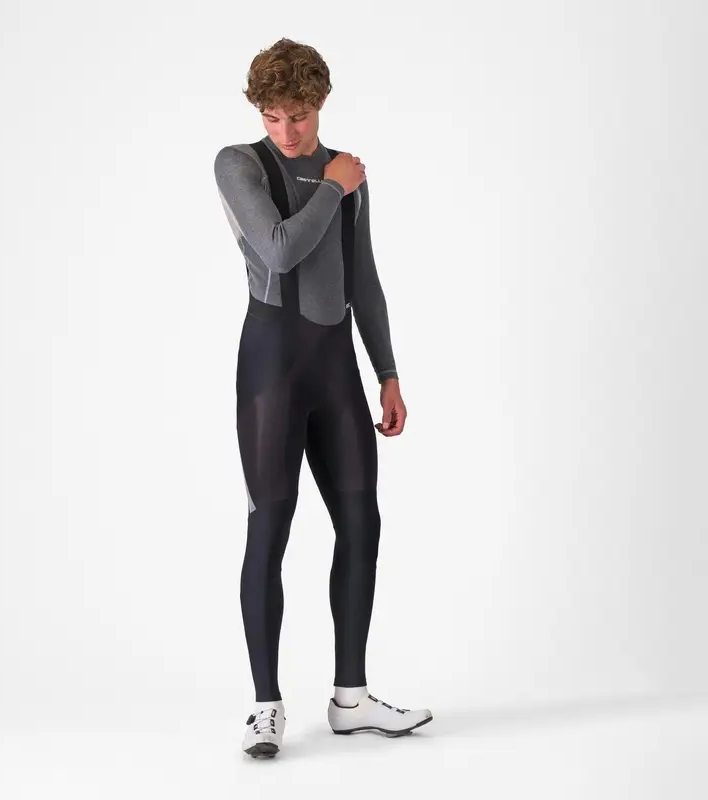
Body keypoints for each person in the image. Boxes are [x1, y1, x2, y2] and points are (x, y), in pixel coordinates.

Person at [213, 37, 432, 759]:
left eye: (299, 115)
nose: (287, 131)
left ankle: (351, 698)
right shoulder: (240, 163)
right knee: (269, 529)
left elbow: (361, 275)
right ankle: (265, 706)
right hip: (271, 371)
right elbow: (278, 250)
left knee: (363, 524)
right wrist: (334, 186)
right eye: (273, 116)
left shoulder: (347, 173)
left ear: (321, 103)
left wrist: (387, 372)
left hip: (336, 371)